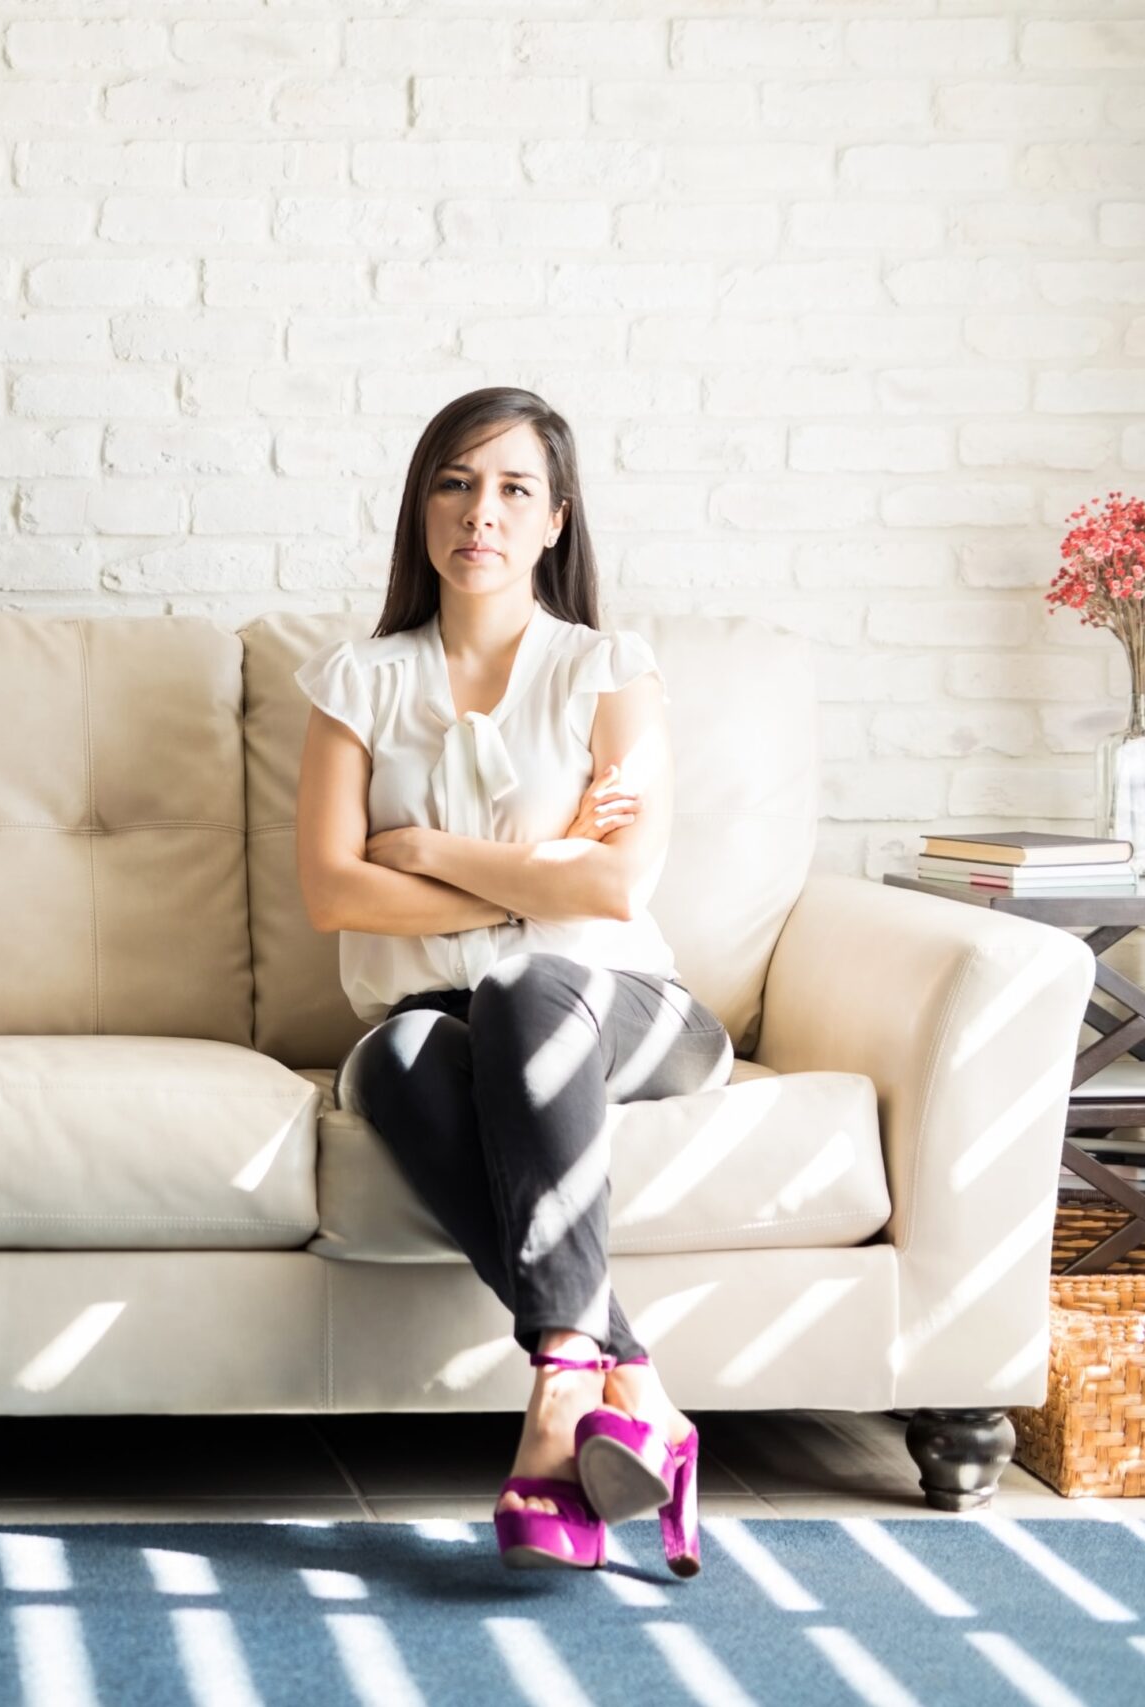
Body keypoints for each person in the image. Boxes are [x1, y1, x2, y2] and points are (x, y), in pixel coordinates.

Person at [292, 387, 728, 1577]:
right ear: (420, 506)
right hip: (438, 1012)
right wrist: (542, 869)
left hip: (619, 1004)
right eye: (454, 482)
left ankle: (553, 1400)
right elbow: (333, 894)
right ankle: (631, 1390)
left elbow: (616, 889)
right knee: (395, 1058)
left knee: (528, 989)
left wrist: (427, 853)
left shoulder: (606, 671)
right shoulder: (358, 682)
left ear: (553, 521)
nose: (479, 511)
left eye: (511, 489)